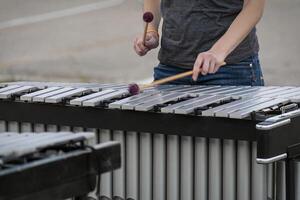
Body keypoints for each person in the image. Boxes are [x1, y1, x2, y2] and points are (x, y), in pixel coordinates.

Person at [133, 0, 266, 86]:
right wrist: (151, 30)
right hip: (170, 67)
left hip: (229, 68)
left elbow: (254, 6)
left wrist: (218, 51)